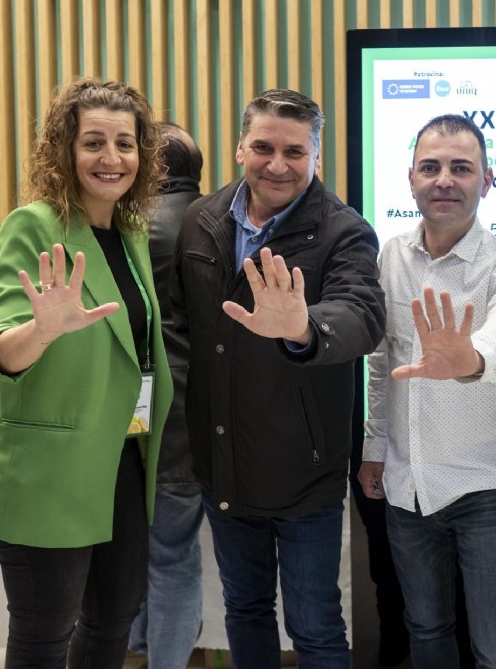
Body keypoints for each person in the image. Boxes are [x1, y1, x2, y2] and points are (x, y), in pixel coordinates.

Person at [0, 122, 207, 669]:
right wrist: (41, 330)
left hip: (124, 453)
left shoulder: (130, 230)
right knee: (46, 635)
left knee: (113, 621)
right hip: (48, 468)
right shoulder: (32, 224)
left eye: (124, 144)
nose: (111, 157)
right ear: (64, 151)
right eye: (93, 143)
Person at [170, 88, 385, 668]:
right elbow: (182, 324)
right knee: (244, 610)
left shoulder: (345, 231)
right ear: (241, 147)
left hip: (304, 469)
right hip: (224, 461)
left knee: (315, 626)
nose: (278, 165)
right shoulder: (201, 220)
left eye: (295, 151)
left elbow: (362, 316)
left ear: (317, 155)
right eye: (263, 147)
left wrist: (304, 328)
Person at [359, 113, 496, 669]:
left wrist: (472, 358)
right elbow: (381, 361)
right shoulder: (390, 256)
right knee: (425, 630)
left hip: (485, 486)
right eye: (431, 167)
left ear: (487, 181)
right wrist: (373, 447)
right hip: (406, 483)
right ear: (411, 178)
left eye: (461, 168)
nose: (444, 180)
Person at [127, 122, 205, 669]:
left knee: (157, 553)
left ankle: (153, 654)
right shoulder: (224, 223)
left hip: (143, 416)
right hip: (201, 419)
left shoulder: (131, 227)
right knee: (172, 552)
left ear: (152, 167)